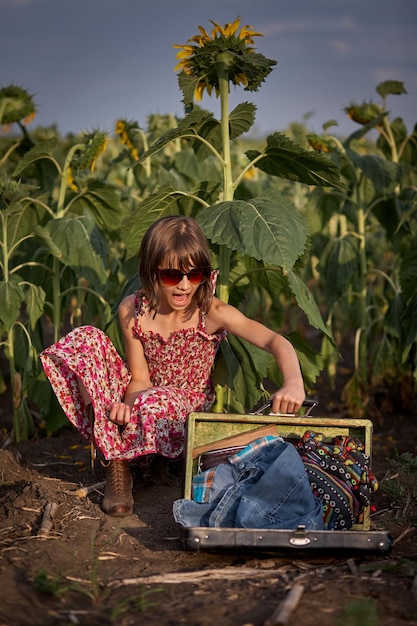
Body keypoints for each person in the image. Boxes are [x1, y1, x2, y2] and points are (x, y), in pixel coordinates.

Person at [40, 215, 305, 517]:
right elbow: (139, 377)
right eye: (171, 275)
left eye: (195, 275)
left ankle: (137, 454)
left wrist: (293, 382)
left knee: (155, 400)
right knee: (84, 339)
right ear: (151, 271)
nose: (183, 285)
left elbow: (275, 341)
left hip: (185, 407)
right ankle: (118, 464)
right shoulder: (132, 309)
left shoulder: (212, 312)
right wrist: (127, 408)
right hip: (145, 396)